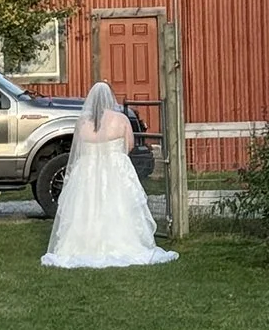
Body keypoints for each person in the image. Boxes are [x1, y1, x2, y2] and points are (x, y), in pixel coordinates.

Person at [41, 82, 178, 270]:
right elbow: (129, 144)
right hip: (115, 168)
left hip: (87, 169)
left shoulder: (83, 122)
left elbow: (78, 147)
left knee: (87, 205)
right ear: (110, 99)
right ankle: (120, 241)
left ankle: (85, 244)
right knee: (118, 204)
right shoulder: (120, 119)